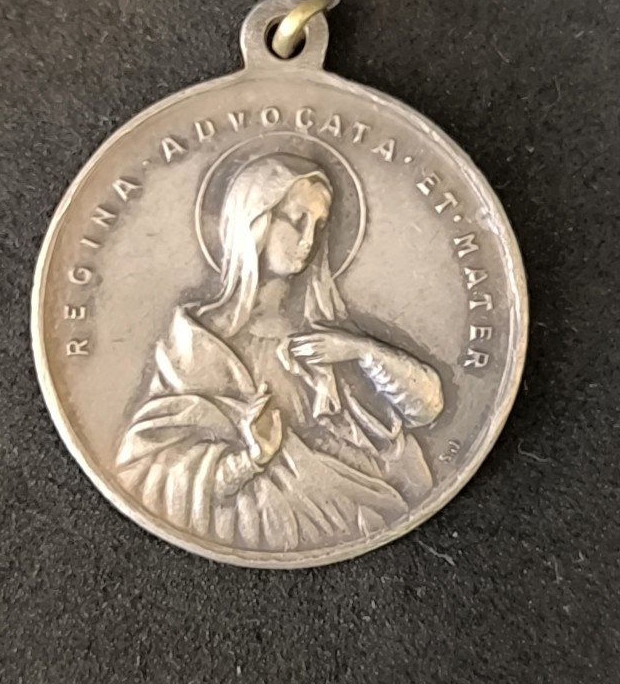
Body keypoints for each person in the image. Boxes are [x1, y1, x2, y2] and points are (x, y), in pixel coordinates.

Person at [116, 152, 444, 552]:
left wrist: (361, 350)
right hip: (258, 523)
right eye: (296, 219)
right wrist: (251, 458)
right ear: (256, 221)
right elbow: (147, 467)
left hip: (364, 515)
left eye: (319, 225)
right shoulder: (196, 343)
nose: (309, 239)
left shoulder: (326, 333)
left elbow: (427, 409)